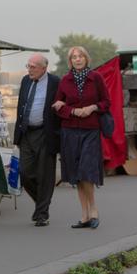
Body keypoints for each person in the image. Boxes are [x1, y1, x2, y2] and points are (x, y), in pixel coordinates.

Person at [52, 46, 110, 229]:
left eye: (80, 56)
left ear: (86, 58)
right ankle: (84, 215)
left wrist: (92, 108)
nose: (77, 59)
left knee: (86, 169)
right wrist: (74, 110)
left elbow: (106, 102)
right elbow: (57, 106)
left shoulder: (96, 78)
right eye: (74, 57)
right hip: (70, 131)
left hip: (90, 130)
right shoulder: (65, 81)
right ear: (70, 61)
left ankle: (93, 209)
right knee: (77, 173)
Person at [13, 54, 61, 227]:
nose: (29, 69)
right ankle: (42, 202)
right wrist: (16, 136)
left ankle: (42, 213)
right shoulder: (25, 81)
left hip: (45, 133)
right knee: (25, 173)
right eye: (28, 66)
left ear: (44, 68)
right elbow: (21, 106)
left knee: (45, 175)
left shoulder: (55, 82)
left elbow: (63, 104)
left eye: (33, 66)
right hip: (26, 133)